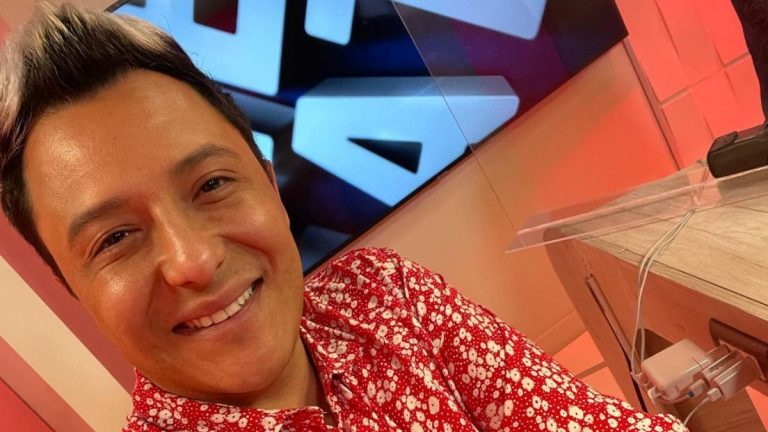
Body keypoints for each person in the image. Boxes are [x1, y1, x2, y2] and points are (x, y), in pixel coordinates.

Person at [0, 4, 688, 431]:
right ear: (73, 286)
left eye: (211, 184)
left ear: (268, 184)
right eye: (116, 237)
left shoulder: (387, 296)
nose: (194, 260)